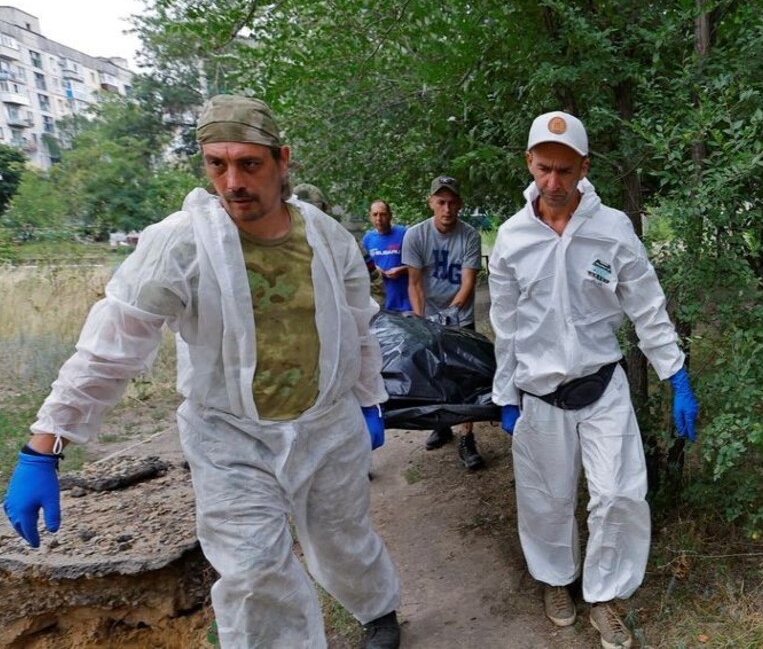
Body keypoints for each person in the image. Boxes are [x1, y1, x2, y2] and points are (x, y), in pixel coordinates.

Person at [1, 95, 403, 649]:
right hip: (230, 437)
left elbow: (357, 324)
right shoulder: (181, 243)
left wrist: (367, 399)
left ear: (283, 160)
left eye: (249, 164)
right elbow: (112, 343)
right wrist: (43, 447)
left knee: (343, 536)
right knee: (253, 569)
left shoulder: (327, 238)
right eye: (218, 164)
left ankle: (378, 609)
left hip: (327, 425)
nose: (233, 180)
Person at [488, 110, 700, 649]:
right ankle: (557, 582)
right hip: (538, 395)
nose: (554, 184)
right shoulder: (512, 238)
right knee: (546, 498)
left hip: (602, 387)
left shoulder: (612, 229)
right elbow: (506, 326)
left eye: (564, 170)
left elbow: (647, 305)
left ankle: (605, 596)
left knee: (620, 495)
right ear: (529, 165)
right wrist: (504, 394)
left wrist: (675, 374)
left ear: (583, 166)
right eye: (543, 170)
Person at [402, 175, 486, 470]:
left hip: (459, 316)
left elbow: (468, 282)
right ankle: (441, 425)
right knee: (435, 376)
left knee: (465, 379)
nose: (447, 208)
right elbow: (414, 283)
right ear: (431, 203)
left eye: (452, 202)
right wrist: (422, 320)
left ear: (460, 204)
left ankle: (467, 438)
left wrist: (450, 315)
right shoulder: (416, 235)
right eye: (441, 202)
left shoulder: (470, 236)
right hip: (429, 317)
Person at [362, 200, 412, 314]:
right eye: (375, 214)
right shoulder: (367, 239)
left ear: (390, 215)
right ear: (370, 217)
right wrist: (375, 269)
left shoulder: (405, 234)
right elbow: (362, 269)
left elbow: (421, 265)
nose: (379, 218)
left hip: (406, 304)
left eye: (382, 214)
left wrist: (402, 270)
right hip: (380, 304)